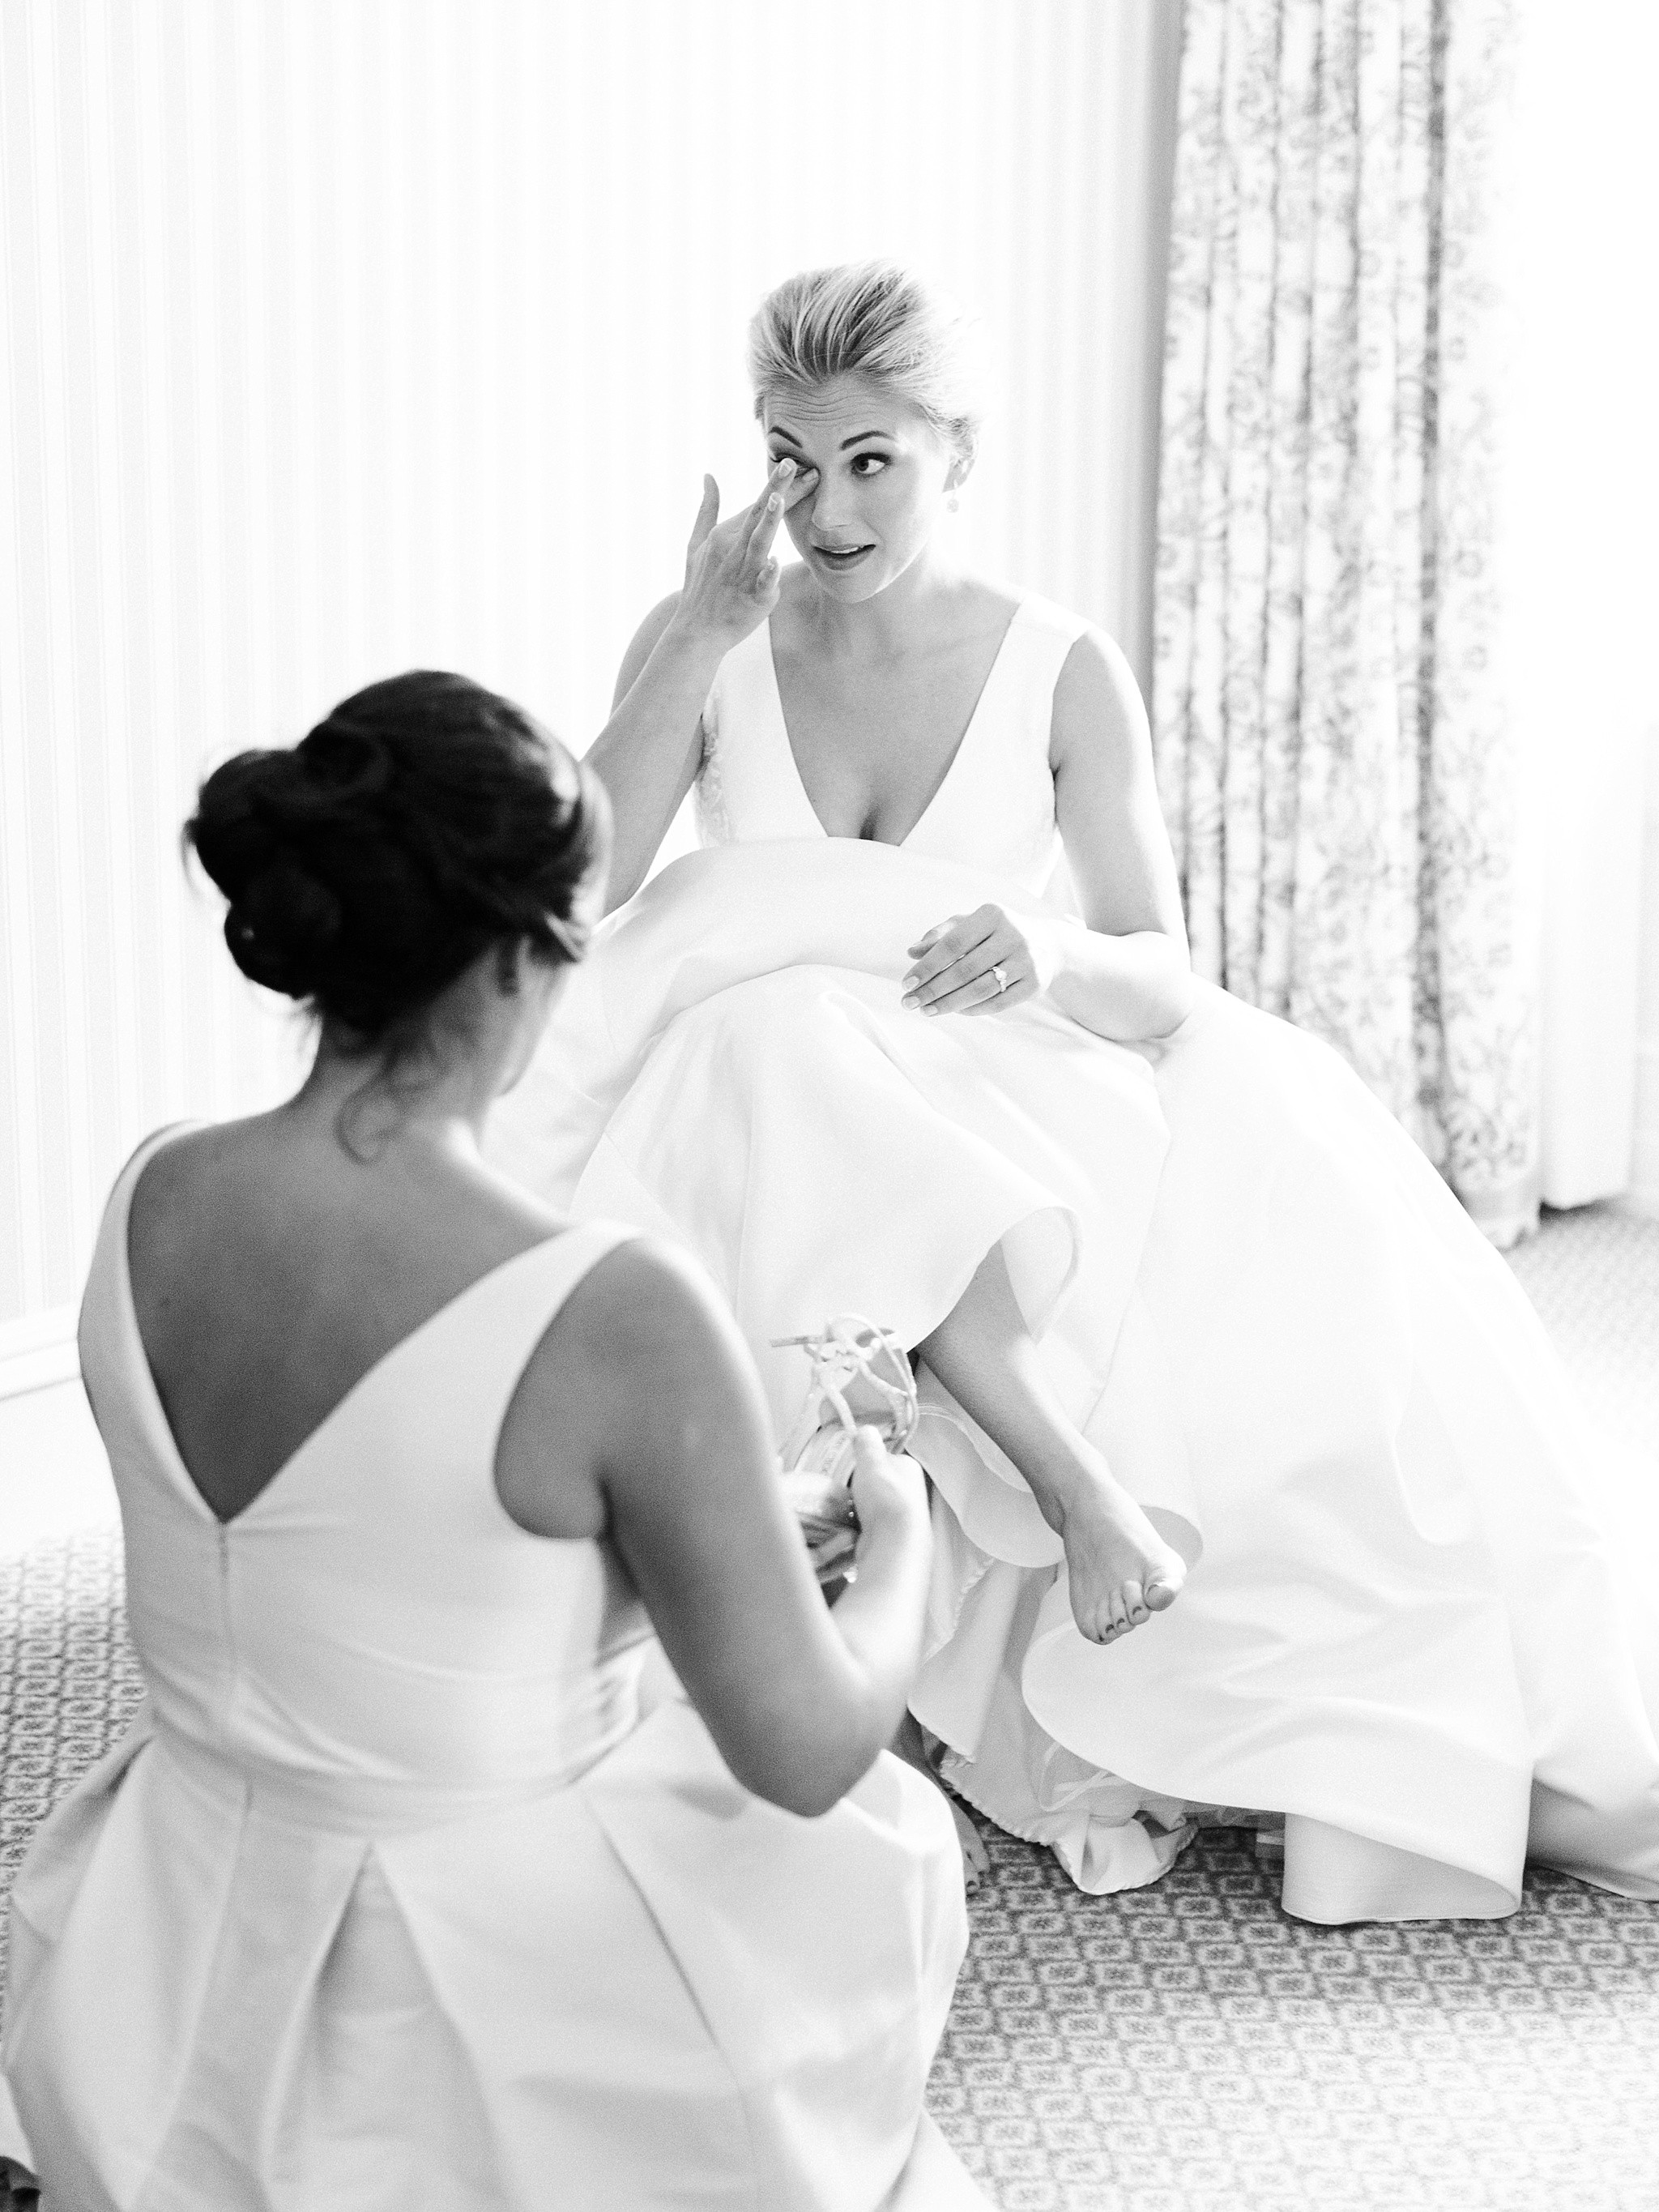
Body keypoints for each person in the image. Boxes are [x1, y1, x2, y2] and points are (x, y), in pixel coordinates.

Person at [488, 259, 1659, 1926]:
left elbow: (1156, 964)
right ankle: (1065, 1491)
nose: (823, 509)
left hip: (1003, 1085)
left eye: (869, 459)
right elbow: (585, 902)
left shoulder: (1054, 663)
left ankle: (1045, 1524)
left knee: (850, 1080)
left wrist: (1042, 952)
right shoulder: (721, 646)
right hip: (765, 1095)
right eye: (788, 458)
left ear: (955, 450)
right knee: (778, 1045)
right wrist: (690, 639)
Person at [0, 673, 980, 2211]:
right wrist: (901, 1519)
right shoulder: (610, 1307)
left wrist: (697, 1542)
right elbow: (801, 1749)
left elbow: (375, 1558)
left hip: (178, 1931)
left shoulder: (151, 1198)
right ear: (528, 966)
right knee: (877, 1844)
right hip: (465, 1993)